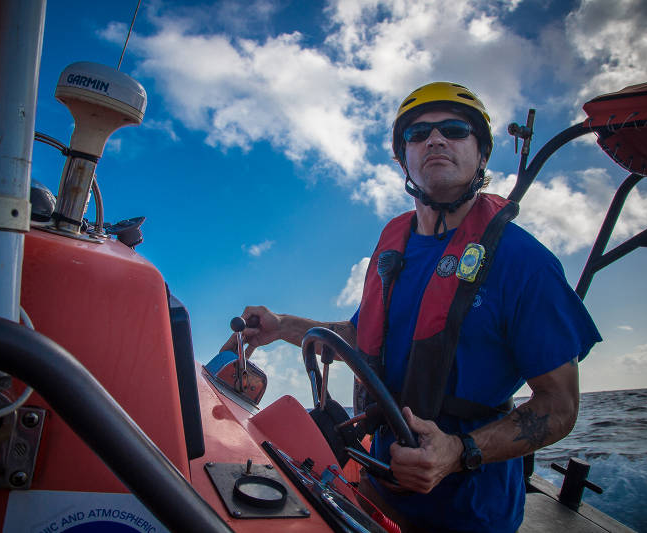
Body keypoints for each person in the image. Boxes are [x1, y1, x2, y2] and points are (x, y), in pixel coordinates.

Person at [221, 82, 601, 532]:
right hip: (377, 489)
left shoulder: (526, 263)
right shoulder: (392, 252)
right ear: (403, 159)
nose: (435, 140)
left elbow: (559, 406)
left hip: (471, 514)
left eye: (455, 130)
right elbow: (365, 341)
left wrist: (460, 452)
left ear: (482, 156)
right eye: (418, 135)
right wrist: (283, 325)